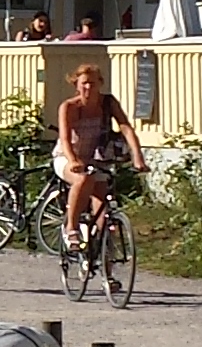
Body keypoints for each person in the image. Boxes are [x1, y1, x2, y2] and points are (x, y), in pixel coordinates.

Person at [52, 61, 142, 255]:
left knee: (102, 205)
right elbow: (65, 138)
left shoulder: (108, 103)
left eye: (92, 83)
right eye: (84, 83)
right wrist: (73, 160)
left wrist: (138, 157)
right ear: (76, 85)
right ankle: (71, 228)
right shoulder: (69, 107)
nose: (88, 87)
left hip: (95, 158)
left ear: (100, 83)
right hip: (66, 157)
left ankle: (104, 255)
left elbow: (125, 127)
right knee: (83, 179)